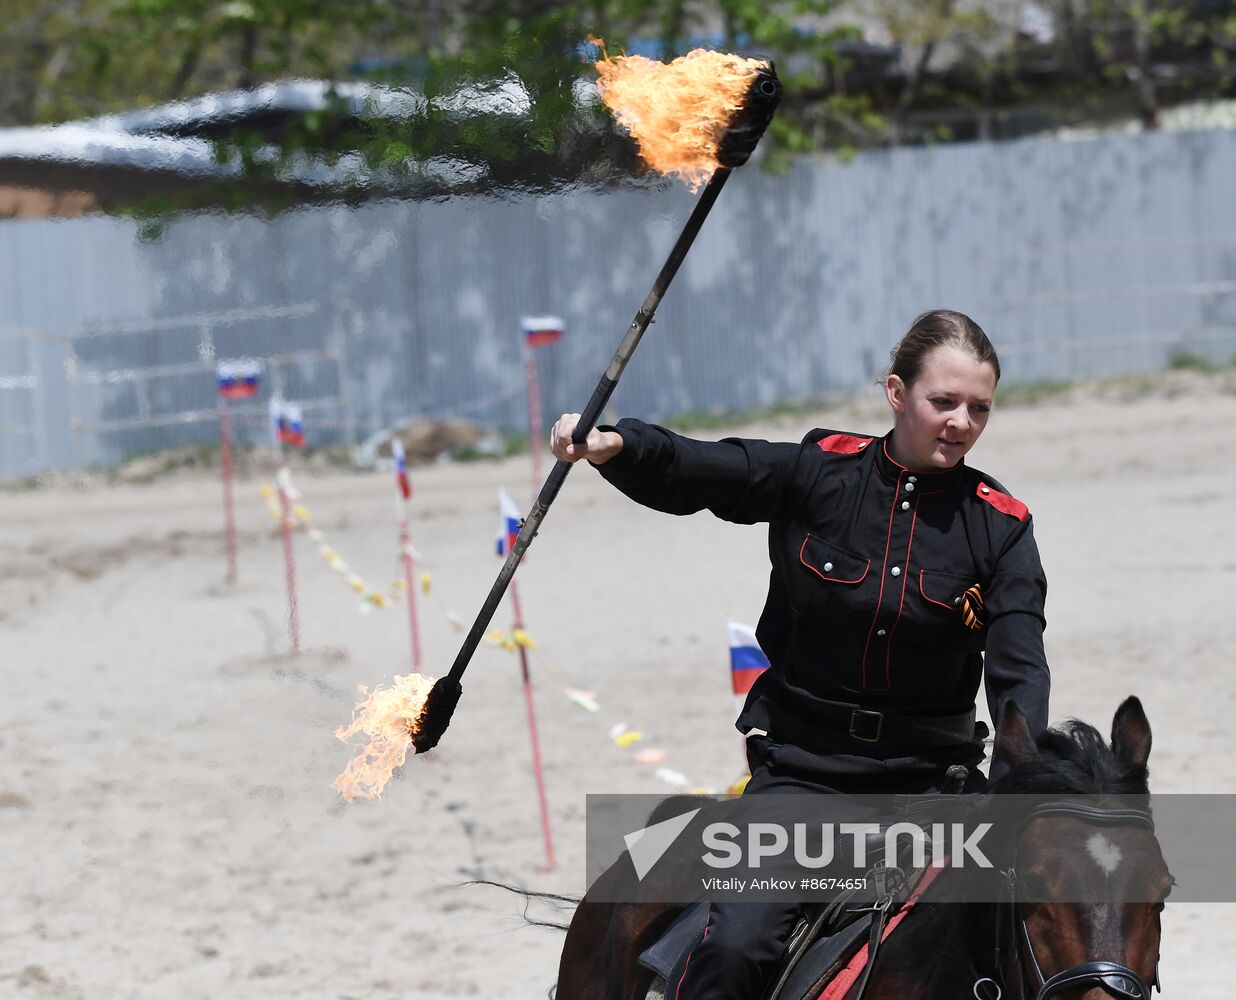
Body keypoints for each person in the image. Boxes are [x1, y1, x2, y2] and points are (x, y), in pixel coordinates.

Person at [550, 309, 1050, 1000]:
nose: (961, 422)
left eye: (979, 408)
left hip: (936, 787)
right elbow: (704, 470)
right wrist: (616, 446)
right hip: (807, 780)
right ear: (897, 393)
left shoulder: (1000, 525)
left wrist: (1024, 777)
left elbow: (1020, 666)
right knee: (736, 947)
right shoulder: (820, 473)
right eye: (944, 401)